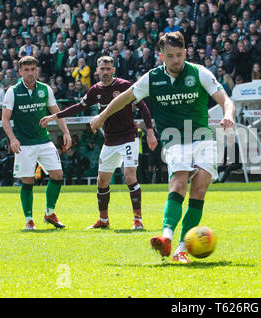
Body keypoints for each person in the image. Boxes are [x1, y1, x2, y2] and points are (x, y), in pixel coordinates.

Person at [89, 32, 235, 263]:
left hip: (202, 137)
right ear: (161, 56)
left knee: (199, 189)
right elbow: (125, 98)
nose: (175, 60)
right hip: (174, 140)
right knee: (178, 181)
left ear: (185, 53)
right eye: (170, 56)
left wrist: (228, 114)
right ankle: (166, 238)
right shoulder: (152, 78)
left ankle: (181, 249)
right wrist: (102, 115)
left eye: (179, 55)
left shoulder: (199, 73)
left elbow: (225, 99)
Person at [40, 56, 157, 231]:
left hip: (128, 137)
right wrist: (54, 116)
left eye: (108, 69)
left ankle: (138, 220)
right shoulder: (95, 90)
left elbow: (144, 108)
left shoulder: (124, 86)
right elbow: (78, 107)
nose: (105, 72)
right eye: (102, 69)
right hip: (109, 141)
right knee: (102, 182)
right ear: (97, 71)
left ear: (113, 70)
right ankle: (103, 220)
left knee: (130, 176)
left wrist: (149, 132)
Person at [1, 56, 71, 230]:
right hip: (24, 143)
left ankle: (49, 213)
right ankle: (29, 220)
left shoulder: (45, 89)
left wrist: (66, 132)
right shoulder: (13, 91)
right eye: (26, 70)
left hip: (44, 140)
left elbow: (56, 112)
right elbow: (5, 119)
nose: (30, 73)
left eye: (33, 69)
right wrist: (13, 139)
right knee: (28, 180)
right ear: (20, 72)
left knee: (57, 175)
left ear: (37, 70)